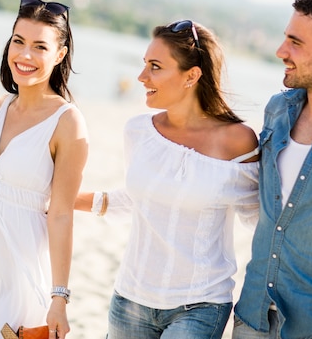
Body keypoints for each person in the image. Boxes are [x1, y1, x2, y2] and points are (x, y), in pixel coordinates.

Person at [75, 20, 260, 339]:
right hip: (130, 299)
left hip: (199, 306)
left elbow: (258, 217)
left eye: (155, 67)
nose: (141, 76)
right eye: (144, 64)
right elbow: (138, 199)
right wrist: (60, 200)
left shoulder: (238, 142)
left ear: (192, 75)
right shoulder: (138, 131)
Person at [0, 0, 89, 339]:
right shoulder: (2, 106)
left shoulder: (67, 122)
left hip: (20, 266)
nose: (24, 55)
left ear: (59, 55)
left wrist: (59, 296)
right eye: (18, 41)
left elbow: (60, 213)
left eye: (39, 47)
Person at [232, 0, 312, 339]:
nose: (281, 51)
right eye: (285, 38)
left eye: (295, 42)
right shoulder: (277, 110)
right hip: (251, 315)